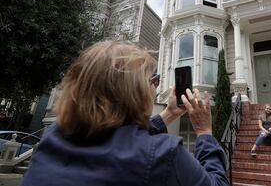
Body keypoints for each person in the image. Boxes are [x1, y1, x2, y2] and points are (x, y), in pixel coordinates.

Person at [21, 41, 229, 186]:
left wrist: (168, 114)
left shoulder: (53, 136)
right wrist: (204, 131)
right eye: (153, 80)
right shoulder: (164, 154)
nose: (156, 88)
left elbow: (121, 137)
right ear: (133, 92)